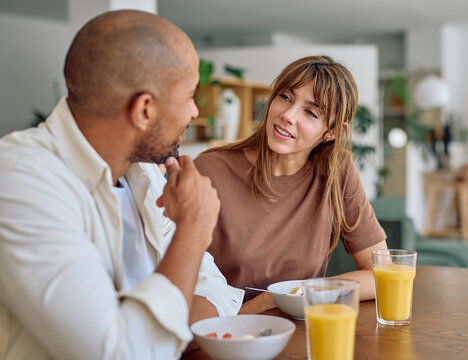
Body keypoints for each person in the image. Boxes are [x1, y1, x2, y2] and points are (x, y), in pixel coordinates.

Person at [0, 10, 243, 360]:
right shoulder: (22, 182)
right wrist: (194, 227)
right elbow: (120, 354)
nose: (193, 112)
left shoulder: (143, 173)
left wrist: (155, 329)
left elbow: (218, 293)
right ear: (144, 109)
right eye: (190, 95)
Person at [194, 55, 387, 313]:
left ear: (331, 133)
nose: (287, 115)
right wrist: (262, 305)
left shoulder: (336, 172)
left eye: (311, 112)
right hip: (226, 337)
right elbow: (174, 284)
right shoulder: (210, 170)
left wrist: (287, 296)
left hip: (301, 329)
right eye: (285, 97)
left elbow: (381, 274)